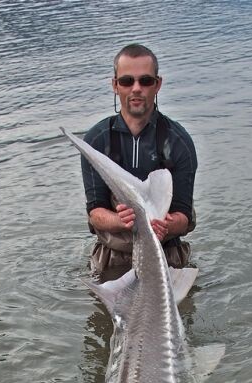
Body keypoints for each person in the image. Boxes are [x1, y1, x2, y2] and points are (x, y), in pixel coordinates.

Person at [78, 43, 198, 279]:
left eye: (145, 81)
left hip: (166, 257)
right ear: (115, 85)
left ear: (157, 84)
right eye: (126, 81)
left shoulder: (178, 141)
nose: (136, 88)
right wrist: (120, 220)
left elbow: (183, 217)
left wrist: (167, 225)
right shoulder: (97, 140)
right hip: (112, 258)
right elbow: (95, 212)